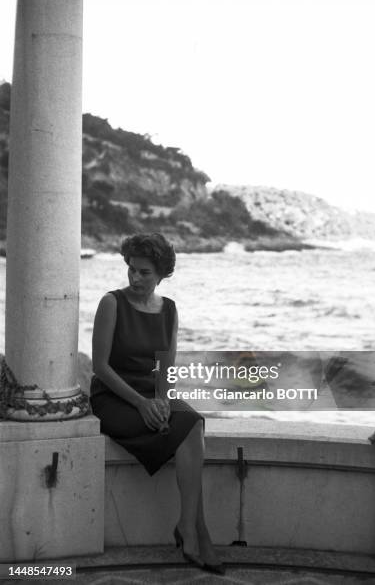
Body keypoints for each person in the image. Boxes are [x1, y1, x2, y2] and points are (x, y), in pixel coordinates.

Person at [90, 233, 224, 575]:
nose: (135, 278)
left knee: (191, 422)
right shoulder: (111, 303)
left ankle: (190, 527)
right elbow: (100, 367)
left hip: (151, 395)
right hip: (114, 398)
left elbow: (166, 367)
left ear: (161, 274)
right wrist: (141, 404)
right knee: (185, 428)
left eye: (144, 272)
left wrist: (162, 401)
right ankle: (197, 532)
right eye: (132, 270)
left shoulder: (169, 310)